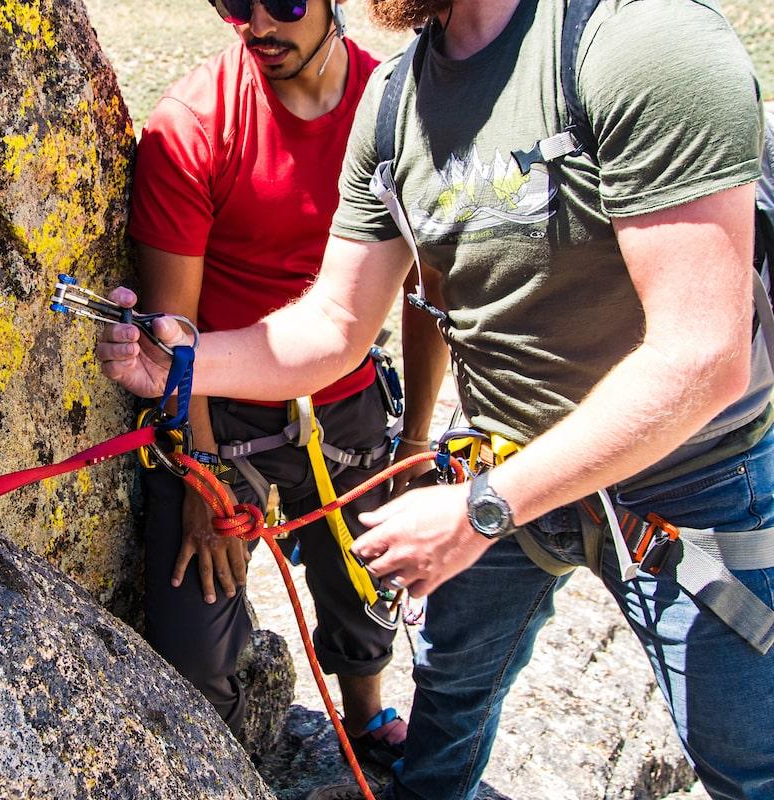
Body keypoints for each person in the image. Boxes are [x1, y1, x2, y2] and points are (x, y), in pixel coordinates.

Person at [99, 0, 774, 798]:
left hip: (685, 474)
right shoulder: (394, 102)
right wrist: (181, 366)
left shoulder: (641, 45)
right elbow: (336, 325)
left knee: (748, 760)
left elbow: (701, 357)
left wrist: (482, 507)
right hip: (501, 453)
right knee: (451, 699)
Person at [128, 0, 447, 767]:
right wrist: (202, 478)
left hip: (348, 401)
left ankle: (366, 718)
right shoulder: (192, 125)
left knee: (366, 586)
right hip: (223, 415)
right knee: (194, 650)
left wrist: (413, 446)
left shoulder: (397, 107)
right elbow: (177, 334)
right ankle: (240, 754)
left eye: (284, 2)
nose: (258, 24)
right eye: (234, 4)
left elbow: (428, 290)